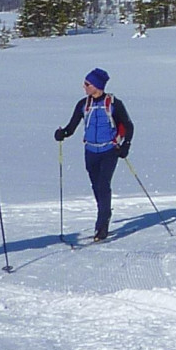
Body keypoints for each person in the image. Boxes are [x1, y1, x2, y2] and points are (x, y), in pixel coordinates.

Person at [54, 68, 133, 241]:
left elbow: (128, 125)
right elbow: (71, 127)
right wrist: (62, 134)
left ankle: (102, 224)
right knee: (96, 186)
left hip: (109, 151)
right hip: (90, 151)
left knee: (103, 185)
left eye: (87, 84)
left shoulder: (113, 104)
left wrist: (126, 145)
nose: (84, 87)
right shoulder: (83, 104)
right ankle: (104, 211)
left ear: (97, 85)